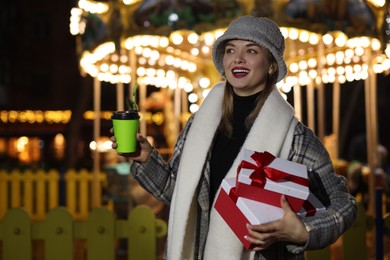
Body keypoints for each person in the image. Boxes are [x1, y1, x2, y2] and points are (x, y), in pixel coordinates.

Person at [111, 15, 358, 260]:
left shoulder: (296, 138)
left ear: (271, 65)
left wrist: (304, 231)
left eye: (251, 51)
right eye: (230, 50)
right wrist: (145, 158)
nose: (238, 58)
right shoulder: (199, 124)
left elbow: (344, 205)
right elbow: (181, 196)